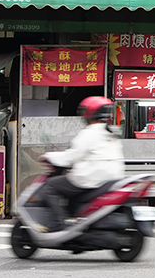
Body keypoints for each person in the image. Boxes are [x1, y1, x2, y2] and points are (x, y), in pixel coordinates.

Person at [41, 96, 126, 230]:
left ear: (89, 113)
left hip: (90, 179)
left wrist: (49, 156)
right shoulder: (111, 133)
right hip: (112, 180)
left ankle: (60, 224)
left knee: (50, 186)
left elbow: (71, 157)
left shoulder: (89, 133)